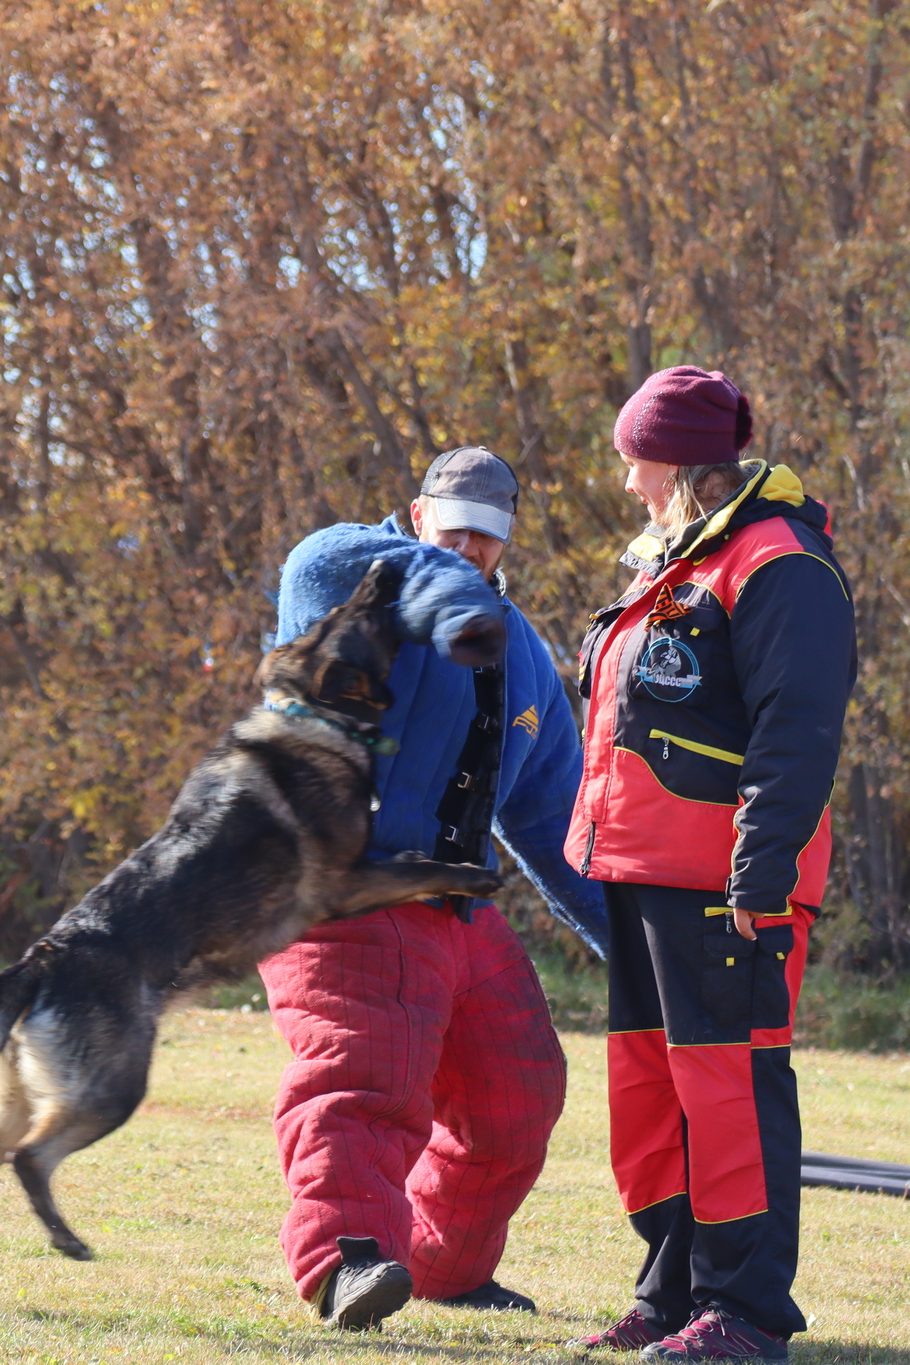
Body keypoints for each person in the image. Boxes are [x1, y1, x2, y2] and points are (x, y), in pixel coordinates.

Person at [262, 446, 611, 1331]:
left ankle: (443, 1264)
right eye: (452, 527)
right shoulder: (351, 582)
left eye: (488, 537)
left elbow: (558, 824)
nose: (470, 548)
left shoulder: (524, 657)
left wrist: (641, 950)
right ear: (417, 516)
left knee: (519, 1089)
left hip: (456, 906)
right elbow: (317, 563)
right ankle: (348, 1262)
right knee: (359, 1076)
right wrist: (440, 578)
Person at [567, 367, 856, 1362]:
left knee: (730, 1090)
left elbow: (798, 729)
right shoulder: (677, 558)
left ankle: (744, 1314)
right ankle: (672, 1291)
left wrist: (758, 871)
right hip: (643, 874)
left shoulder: (778, 560)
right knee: (651, 1093)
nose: (625, 483)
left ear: (673, 459)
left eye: (632, 461)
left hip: (726, 884)